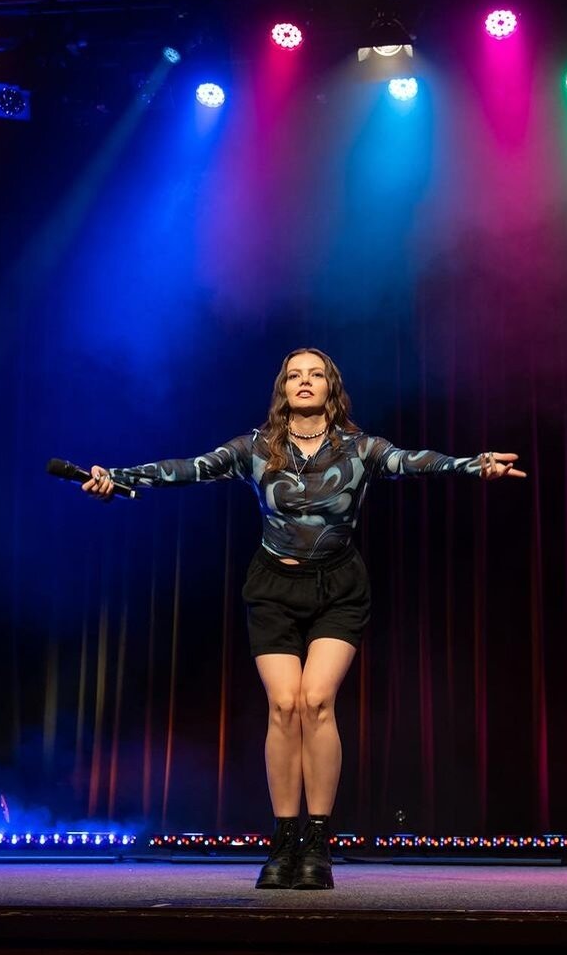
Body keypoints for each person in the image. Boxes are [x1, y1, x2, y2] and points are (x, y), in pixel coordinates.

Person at [83, 347, 525, 890]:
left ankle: (317, 841)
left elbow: (413, 461)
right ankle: (284, 837)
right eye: (295, 375)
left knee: (316, 701)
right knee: (284, 705)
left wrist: (474, 464)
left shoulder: (360, 448)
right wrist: (119, 478)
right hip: (273, 588)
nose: (306, 381)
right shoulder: (255, 447)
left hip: (339, 589)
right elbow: (190, 468)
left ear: (331, 387)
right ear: (284, 389)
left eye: (316, 374)